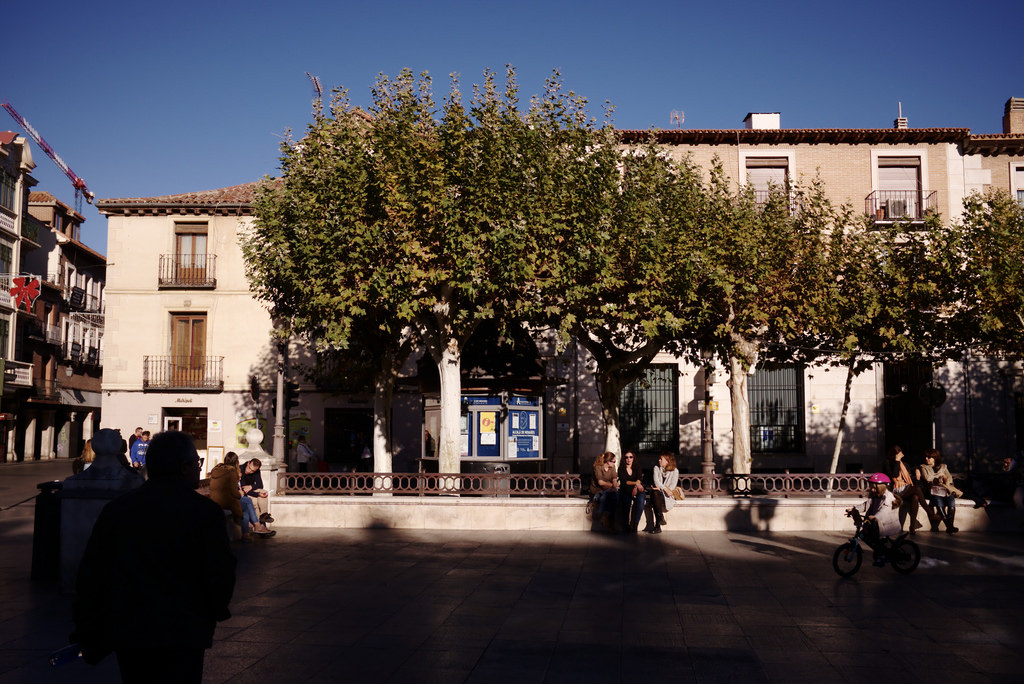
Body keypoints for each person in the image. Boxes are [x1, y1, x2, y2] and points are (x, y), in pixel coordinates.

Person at [71, 430, 235, 683]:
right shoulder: (204, 513)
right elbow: (220, 571)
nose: (199, 468)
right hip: (184, 630)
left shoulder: (118, 510)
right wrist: (213, 612)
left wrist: (88, 625)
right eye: (197, 462)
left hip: (131, 630)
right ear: (183, 467)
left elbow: (93, 572)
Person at [847, 472, 902, 566]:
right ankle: (880, 553)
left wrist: (875, 516)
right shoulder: (874, 495)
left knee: (875, 539)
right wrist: (854, 509)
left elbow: (884, 511)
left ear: (881, 487)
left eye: (874, 487)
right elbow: (865, 505)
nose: (872, 489)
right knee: (868, 535)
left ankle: (882, 556)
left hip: (887, 524)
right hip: (877, 523)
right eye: (872, 487)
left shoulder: (888, 497)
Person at [885, 445, 935, 533]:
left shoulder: (905, 464)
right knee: (917, 489)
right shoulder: (888, 463)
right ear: (894, 455)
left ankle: (912, 527)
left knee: (915, 497)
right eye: (898, 452)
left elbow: (912, 470)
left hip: (906, 490)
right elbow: (894, 475)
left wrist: (917, 469)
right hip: (896, 491)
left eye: (900, 451)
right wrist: (897, 461)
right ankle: (931, 514)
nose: (900, 453)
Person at [917, 448, 962, 533]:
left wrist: (944, 478)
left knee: (951, 501)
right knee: (939, 501)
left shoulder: (943, 466)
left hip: (945, 489)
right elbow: (928, 478)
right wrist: (939, 475)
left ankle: (950, 525)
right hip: (933, 490)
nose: (926, 458)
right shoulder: (923, 467)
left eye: (928, 457)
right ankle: (949, 526)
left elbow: (949, 478)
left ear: (934, 458)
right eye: (926, 457)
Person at [643, 452, 680, 534]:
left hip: (667, 496)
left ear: (667, 461)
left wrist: (661, 488)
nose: (659, 460)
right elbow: (656, 481)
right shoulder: (656, 468)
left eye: (661, 459)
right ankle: (660, 519)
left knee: (655, 495)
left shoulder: (675, 471)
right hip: (658, 494)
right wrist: (663, 488)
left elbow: (672, 486)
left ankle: (658, 525)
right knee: (655, 493)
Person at [617, 450, 646, 533]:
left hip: (636, 489)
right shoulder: (621, 468)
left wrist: (636, 487)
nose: (628, 459)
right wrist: (636, 483)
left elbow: (639, 478)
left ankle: (635, 523)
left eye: (630, 457)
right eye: (626, 457)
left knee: (641, 501)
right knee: (626, 502)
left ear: (633, 458)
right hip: (625, 489)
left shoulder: (637, 467)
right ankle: (626, 524)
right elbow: (625, 481)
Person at [590, 452, 619, 531]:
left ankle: (606, 518)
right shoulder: (598, 467)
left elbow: (615, 479)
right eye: (614, 461)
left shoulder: (612, 467)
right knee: (607, 497)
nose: (615, 463)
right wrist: (612, 486)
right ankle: (609, 523)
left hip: (607, 490)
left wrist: (614, 487)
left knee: (614, 496)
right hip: (597, 492)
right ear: (608, 461)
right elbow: (600, 482)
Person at [240, 458, 273, 524]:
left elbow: (260, 485)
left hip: (251, 491)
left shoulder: (257, 471)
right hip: (243, 493)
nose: (250, 471)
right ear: (248, 463)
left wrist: (251, 486)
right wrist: (258, 494)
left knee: (263, 491)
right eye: (249, 468)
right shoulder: (240, 469)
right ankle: (260, 525)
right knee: (256, 502)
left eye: (253, 471)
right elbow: (243, 489)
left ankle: (264, 515)